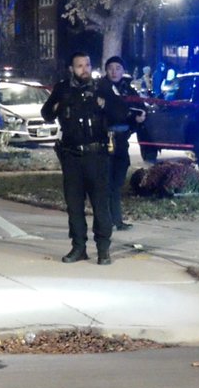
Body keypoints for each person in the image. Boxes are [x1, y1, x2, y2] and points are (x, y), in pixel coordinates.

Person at [42, 52, 114, 264]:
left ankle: (103, 249)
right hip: (72, 155)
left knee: (100, 204)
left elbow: (119, 112)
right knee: (74, 205)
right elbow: (47, 113)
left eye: (87, 64)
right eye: (80, 66)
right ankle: (78, 247)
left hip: (96, 154)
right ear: (72, 69)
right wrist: (60, 104)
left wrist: (105, 104)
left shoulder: (102, 87)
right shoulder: (63, 88)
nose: (84, 69)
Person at [95, 55, 142, 230]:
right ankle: (105, 220)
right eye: (111, 68)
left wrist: (139, 118)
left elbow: (139, 109)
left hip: (122, 142)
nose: (114, 72)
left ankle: (117, 220)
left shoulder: (128, 90)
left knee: (117, 183)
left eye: (118, 68)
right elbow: (112, 112)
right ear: (105, 70)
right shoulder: (100, 89)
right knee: (104, 183)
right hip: (103, 141)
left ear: (123, 71)